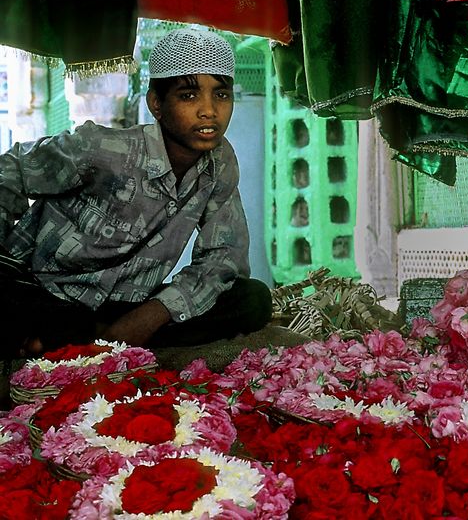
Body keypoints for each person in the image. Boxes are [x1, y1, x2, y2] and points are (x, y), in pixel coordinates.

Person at [0, 28, 272, 358]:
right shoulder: (100, 148)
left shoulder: (219, 163)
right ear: (156, 104)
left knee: (252, 299)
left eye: (221, 94)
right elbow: (10, 170)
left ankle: (93, 341)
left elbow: (223, 257)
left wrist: (151, 314)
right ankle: (83, 340)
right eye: (188, 96)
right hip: (45, 291)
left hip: (124, 305)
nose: (209, 111)